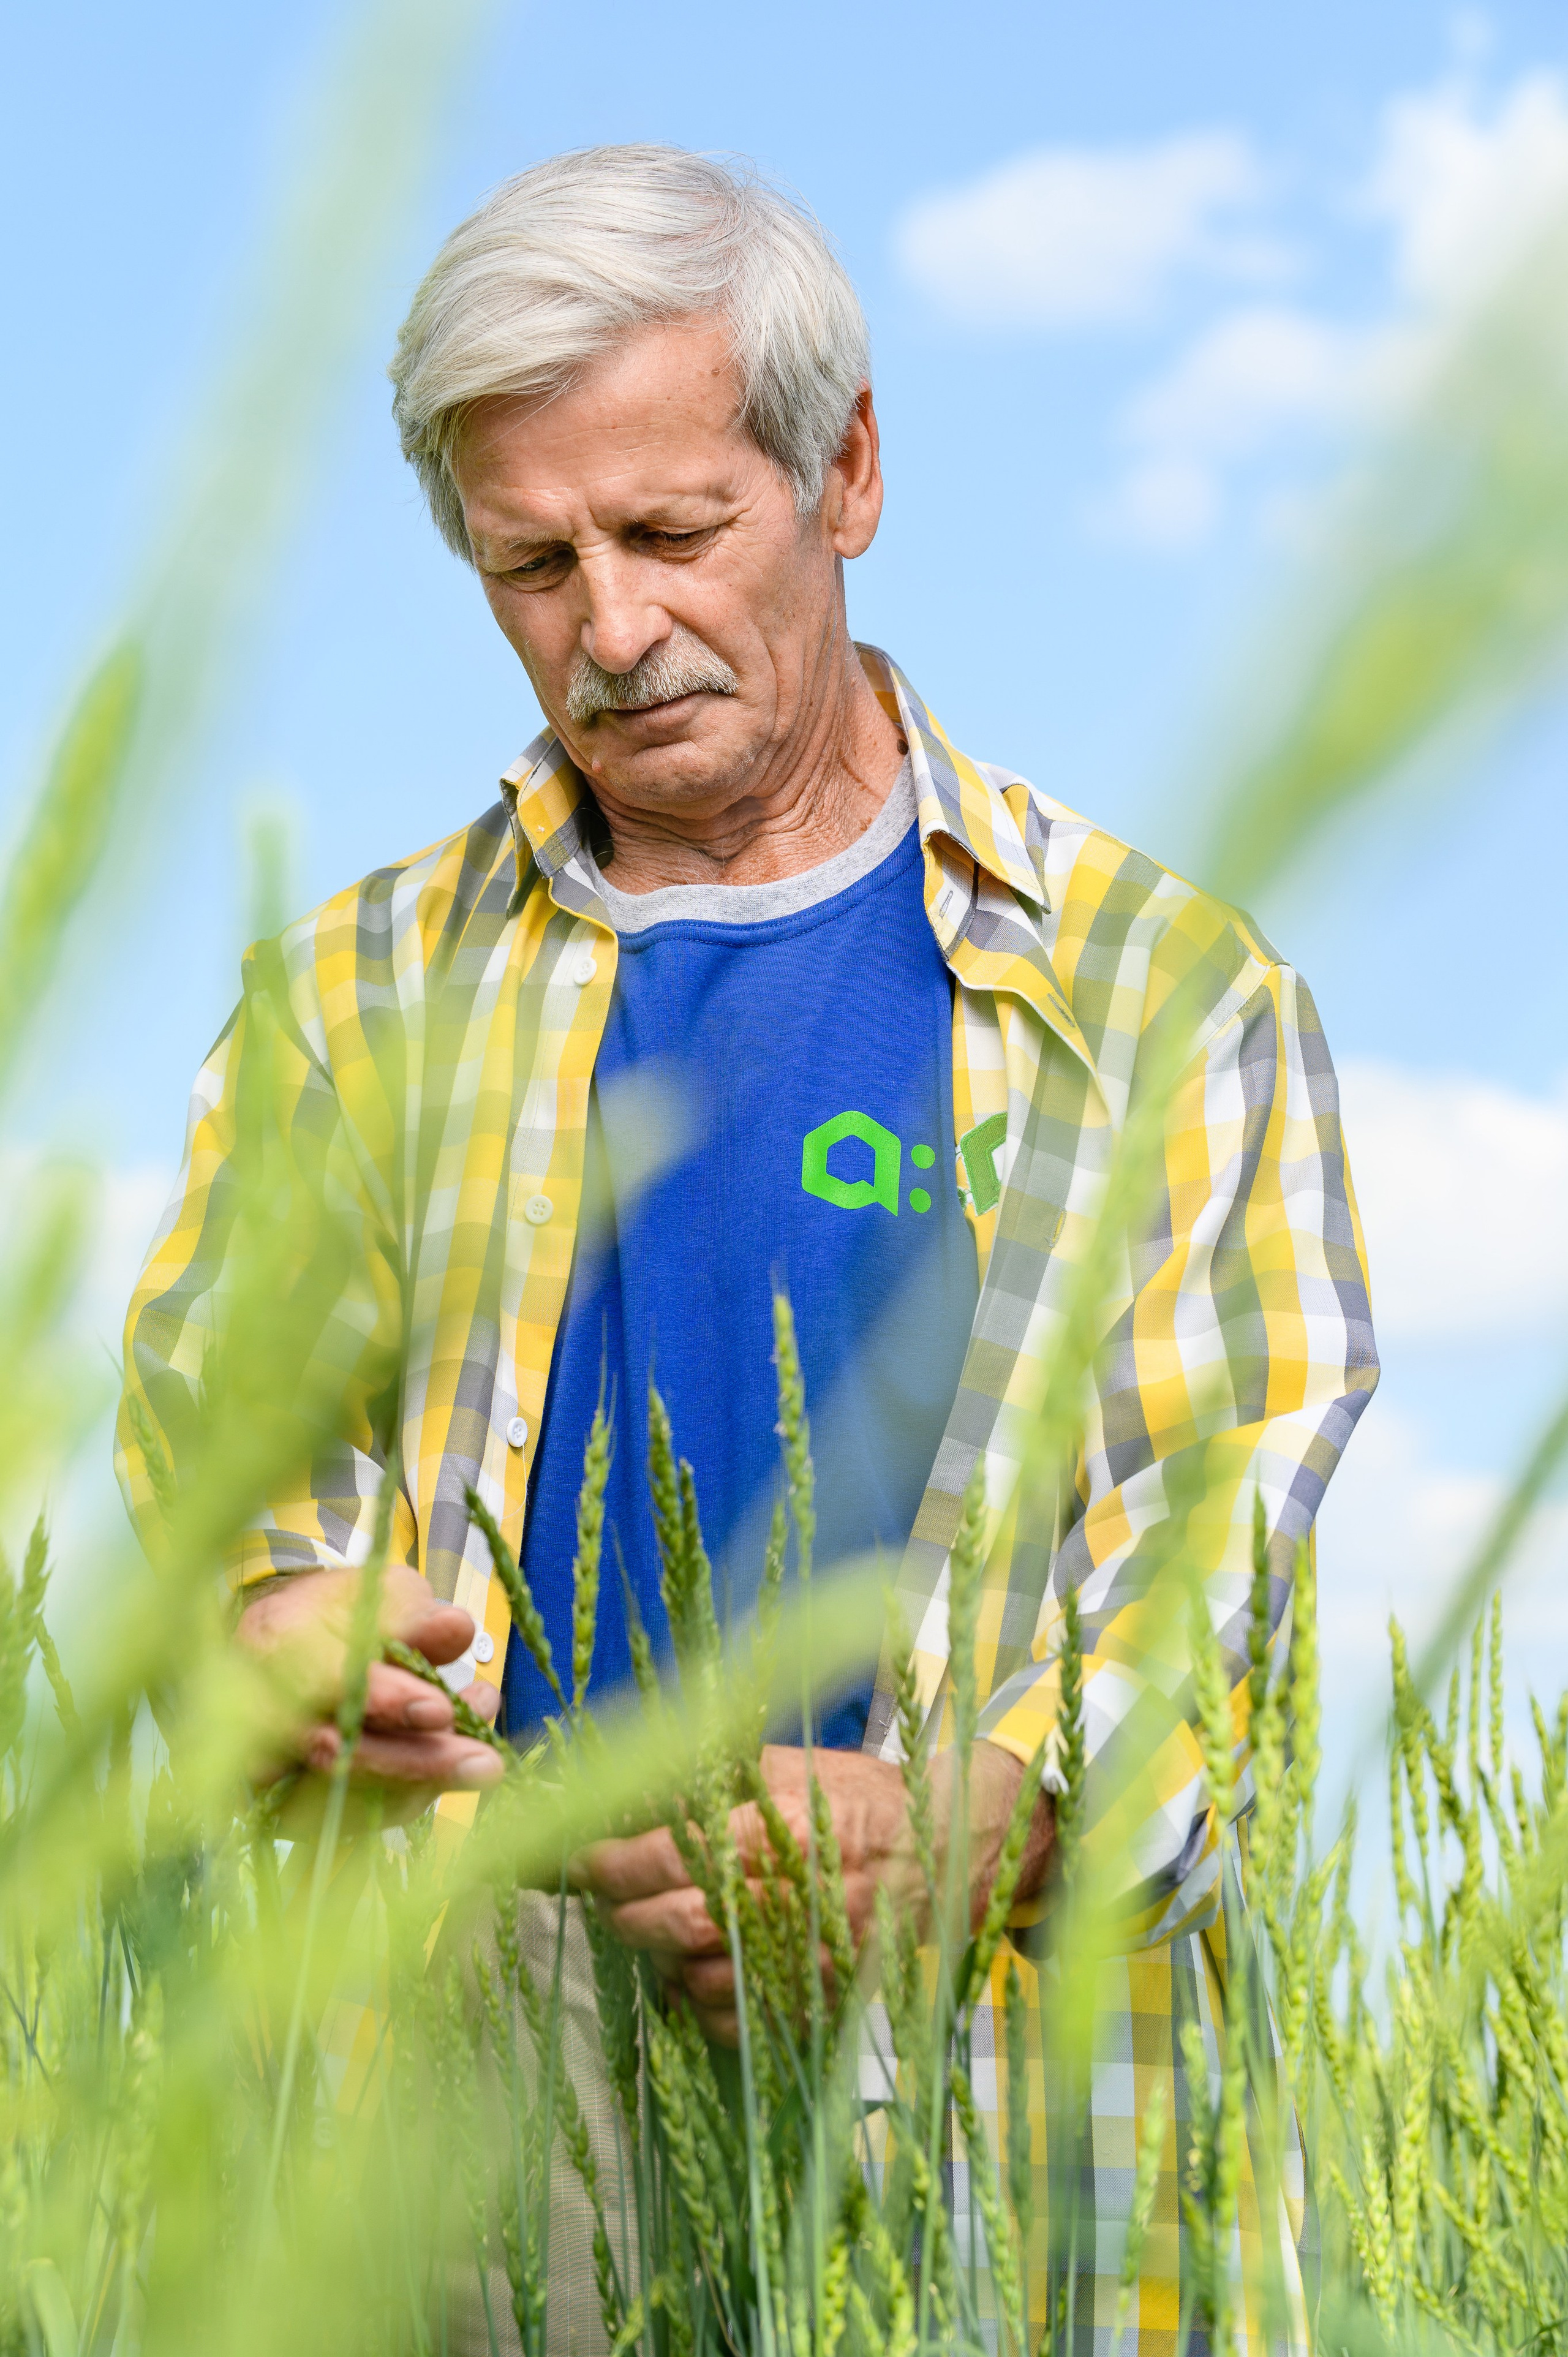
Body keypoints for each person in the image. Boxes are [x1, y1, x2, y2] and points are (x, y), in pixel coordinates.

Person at [118, 145, 1377, 2352]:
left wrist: (995, 1814)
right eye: (535, 564)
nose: (612, 629)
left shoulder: (1172, 996)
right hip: (469, 2086)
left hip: (1001, 2077)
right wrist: (268, 1627)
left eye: (675, 532)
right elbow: (224, 1499)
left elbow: (1218, 1570)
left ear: (850, 469)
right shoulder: (351, 1003)